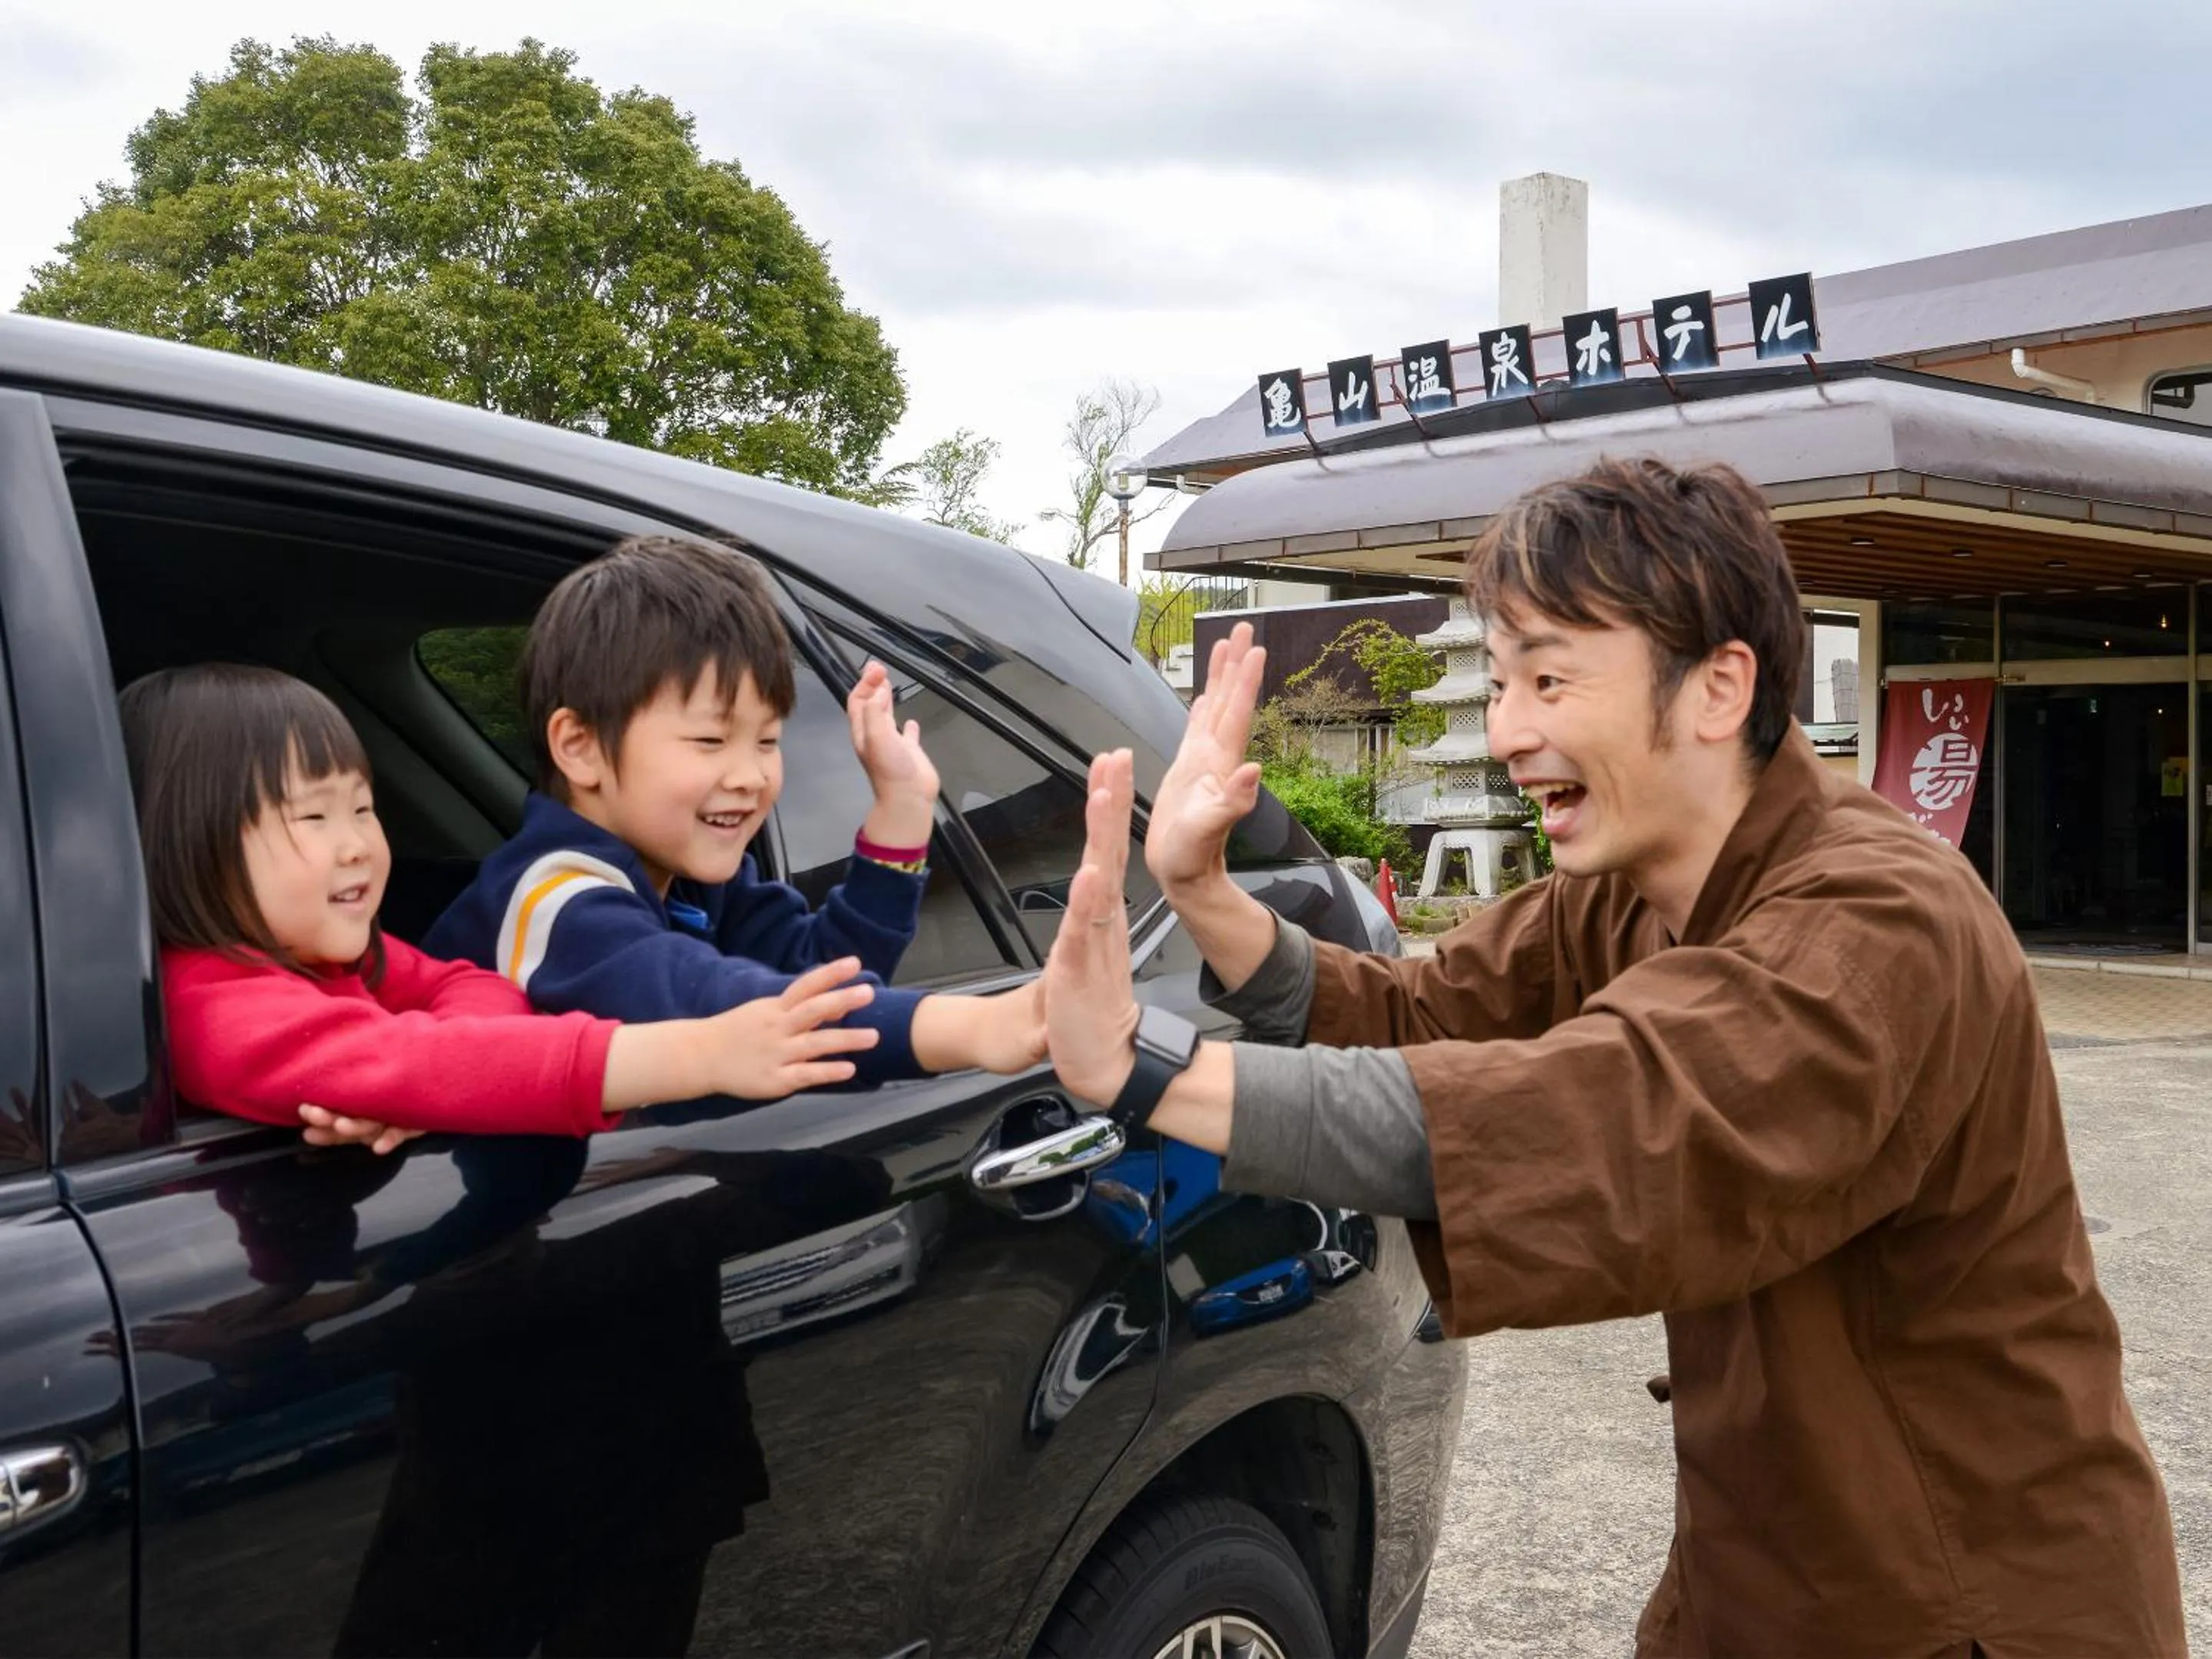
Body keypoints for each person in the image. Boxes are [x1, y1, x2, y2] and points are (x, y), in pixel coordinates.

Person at [1040, 459, 2186, 1655]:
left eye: (1549, 678)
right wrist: (1201, 891)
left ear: (1717, 687)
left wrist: (1144, 1073)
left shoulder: (1883, 919)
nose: (1506, 731)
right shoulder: (1635, 891)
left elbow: (1613, 1118)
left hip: (1970, 1595)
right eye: (1498, 682)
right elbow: (1422, 1016)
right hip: (1771, 1561)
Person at [124, 663, 886, 1141]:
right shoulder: (214, 1008)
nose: (359, 843)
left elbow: (469, 985)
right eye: (313, 818)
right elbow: (411, 1058)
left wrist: (415, 1080)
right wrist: (706, 1052)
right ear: (193, 846)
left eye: (362, 810)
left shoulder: (344, 956)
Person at [426, 534, 1041, 1078]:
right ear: (580, 747)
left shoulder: (693, 880)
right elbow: (723, 1013)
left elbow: (824, 973)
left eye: (768, 741)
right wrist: (983, 1027)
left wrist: (903, 808)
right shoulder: (551, 904)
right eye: (710, 740)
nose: (750, 776)